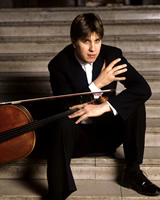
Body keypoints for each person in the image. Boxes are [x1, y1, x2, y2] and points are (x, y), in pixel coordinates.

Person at [47, 13, 160, 199]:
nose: (93, 48)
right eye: (85, 41)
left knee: (136, 105)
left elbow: (143, 89)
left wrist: (104, 107)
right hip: (77, 140)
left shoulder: (112, 55)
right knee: (62, 121)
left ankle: (132, 172)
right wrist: (97, 84)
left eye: (97, 40)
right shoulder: (59, 64)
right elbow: (66, 107)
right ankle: (58, 193)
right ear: (74, 41)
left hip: (109, 135)